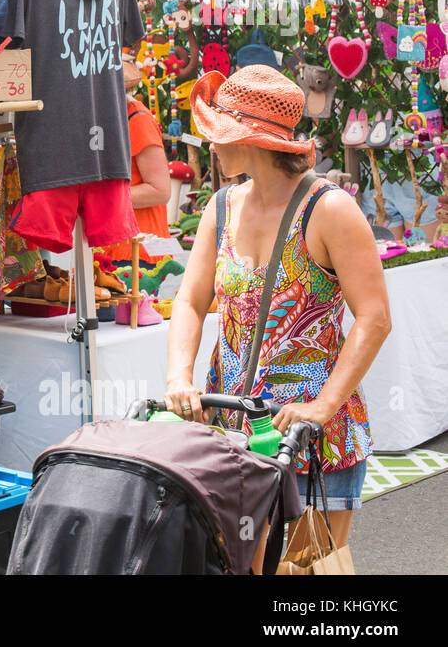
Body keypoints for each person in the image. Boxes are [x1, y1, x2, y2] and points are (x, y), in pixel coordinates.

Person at [165, 65, 391, 570]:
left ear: (249, 140)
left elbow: (374, 317)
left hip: (310, 436)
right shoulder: (220, 208)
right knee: (238, 565)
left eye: (219, 135)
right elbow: (190, 300)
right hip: (231, 428)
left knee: (305, 574)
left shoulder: (329, 210)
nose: (211, 146)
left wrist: (324, 405)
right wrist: (179, 377)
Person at [103, 60, 171, 261]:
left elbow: (160, 191)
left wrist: (102, 196)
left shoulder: (138, 120)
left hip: (138, 248)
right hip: (114, 245)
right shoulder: (113, 118)